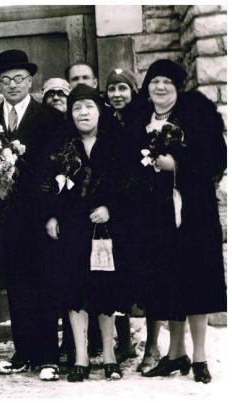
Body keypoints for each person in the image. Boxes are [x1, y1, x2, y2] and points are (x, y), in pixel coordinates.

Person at [131, 59, 227, 384]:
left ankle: (199, 355)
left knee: (195, 278)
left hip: (194, 214)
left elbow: (215, 159)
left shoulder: (197, 116)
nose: (160, 87)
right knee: (166, 280)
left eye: (167, 83)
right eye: (154, 82)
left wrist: (178, 165)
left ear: (176, 87)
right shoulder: (139, 120)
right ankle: (175, 354)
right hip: (155, 215)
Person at [0, 49, 63, 381]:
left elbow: (56, 165)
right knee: (16, 286)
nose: (13, 84)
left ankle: (48, 355)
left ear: (31, 81)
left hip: (39, 213)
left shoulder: (49, 118)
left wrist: (50, 211)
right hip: (5, 216)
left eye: (19, 78)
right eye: (6, 79)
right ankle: (23, 352)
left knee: (44, 283)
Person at [43, 84, 128, 382]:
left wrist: (110, 208)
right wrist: (52, 214)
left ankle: (108, 355)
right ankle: (80, 357)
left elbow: (128, 183)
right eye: (77, 107)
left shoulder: (116, 143)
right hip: (73, 226)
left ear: (99, 111)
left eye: (89, 107)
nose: (83, 113)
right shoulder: (62, 144)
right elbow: (48, 183)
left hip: (106, 228)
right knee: (75, 288)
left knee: (106, 288)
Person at [104, 67, 141, 365]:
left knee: (137, 272)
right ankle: (124, 340)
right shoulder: (108, 123)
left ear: (133, 91)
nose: (117, 94)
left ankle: (148, 342)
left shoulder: (141, 121)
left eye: (123, 89)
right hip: (115, 211)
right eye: (113, 89)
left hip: (137, 210)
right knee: (115, 275)